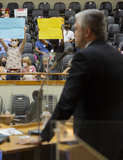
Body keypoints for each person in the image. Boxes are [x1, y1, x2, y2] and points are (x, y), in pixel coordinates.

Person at [15, 9, 123, 160]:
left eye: (76, 29)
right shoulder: (117, 55)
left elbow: (67, 102)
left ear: (87, 31)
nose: (74, 33)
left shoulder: (84, 57)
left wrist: (43, 137)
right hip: (117, 138)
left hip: (93, 141)